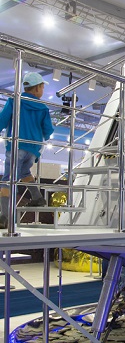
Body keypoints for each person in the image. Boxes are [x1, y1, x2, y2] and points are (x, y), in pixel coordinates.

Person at [0, 72, 54, 229]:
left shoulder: (15, 101)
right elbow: (48, 130)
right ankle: (38, 198)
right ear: (36, 88)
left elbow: (2, 120)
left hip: (17, 146)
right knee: (24, 172)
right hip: (33, 148)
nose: (43, 90)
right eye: (42, 87)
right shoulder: (43, 107)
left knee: (7, 180)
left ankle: (3, 217)